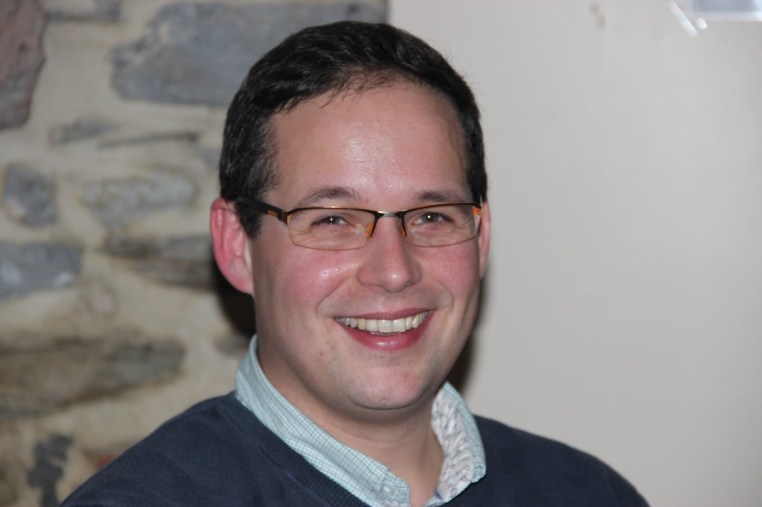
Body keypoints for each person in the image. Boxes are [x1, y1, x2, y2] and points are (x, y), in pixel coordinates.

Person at [62, 21, 648, 506]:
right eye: (332, 220)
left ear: (481, 237)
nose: (394, 271)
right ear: (238, 245)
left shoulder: (588, 493)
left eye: (432, 216)